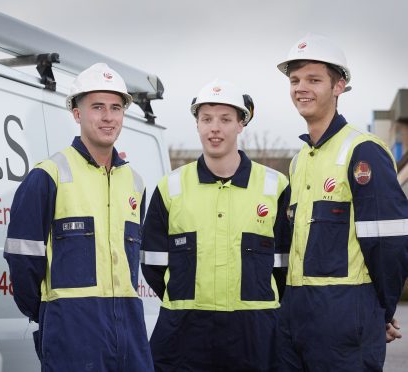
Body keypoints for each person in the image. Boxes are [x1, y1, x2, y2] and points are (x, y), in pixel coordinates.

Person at [3, 62, 154, 372]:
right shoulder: (48, 177)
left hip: (130, 341)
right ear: (77, 113)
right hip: (72, 341)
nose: (108, 117)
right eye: (97, 107)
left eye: (115, 107)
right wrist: (54, 316)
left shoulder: (136, 184)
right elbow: (22, 264)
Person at [276, 33, 408, 371]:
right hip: (295, 316)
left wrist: (381, 310)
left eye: (313, 79)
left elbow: (389, 243)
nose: (300, 88)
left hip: (345, 314)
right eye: (295, 80)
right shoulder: (299, 159)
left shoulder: (363, 151)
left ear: (339, 86)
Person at [140, 79, 291, 371]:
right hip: (184, 334)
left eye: (225, 119)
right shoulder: (171, 187)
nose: (215, 128)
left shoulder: (275, 186)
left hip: (255, 335)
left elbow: (287, 267)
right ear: (197, 124)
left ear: (241, 124)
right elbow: (153, 264)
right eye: (206, 119)